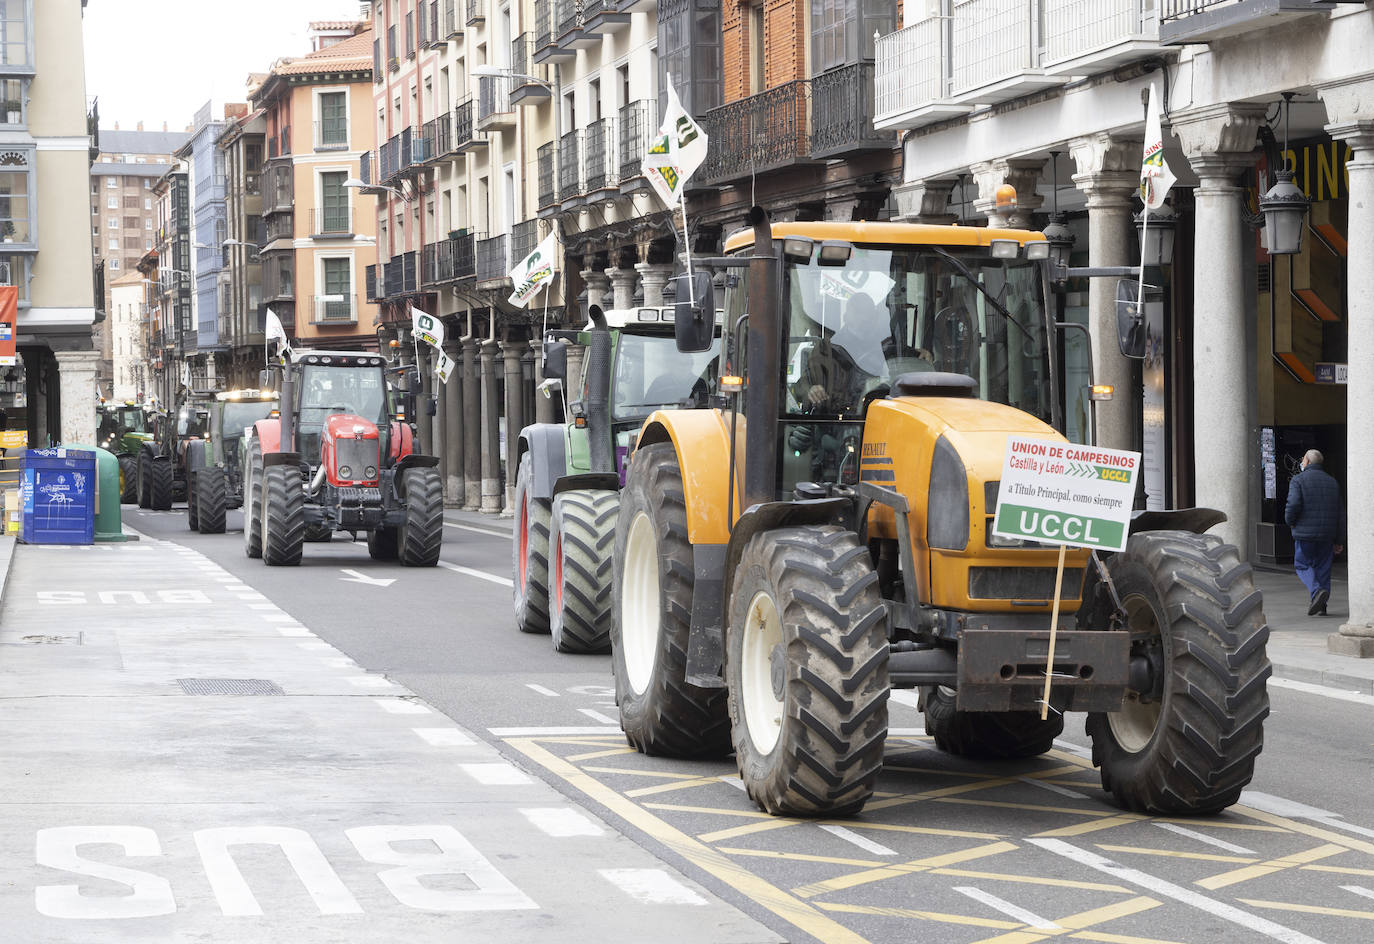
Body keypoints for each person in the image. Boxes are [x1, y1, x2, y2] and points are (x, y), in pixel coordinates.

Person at [1284, 448, 1345, 616]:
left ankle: (1317, 591)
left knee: (1302, 564)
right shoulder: (1332, 482)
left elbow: (1293, 504)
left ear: (1308, 462)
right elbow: (1340, 513)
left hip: (1305, 533)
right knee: (1323, 568)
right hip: (1327, 534)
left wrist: (1290, 521)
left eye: (1303, 460)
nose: (1302, 463)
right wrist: (1339, 539)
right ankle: (1322, 605)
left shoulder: (1298, 480)